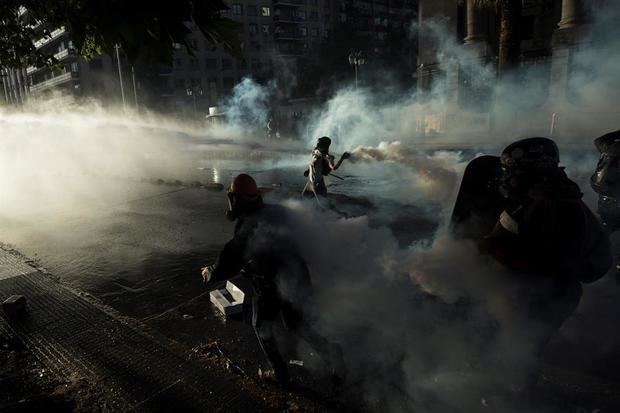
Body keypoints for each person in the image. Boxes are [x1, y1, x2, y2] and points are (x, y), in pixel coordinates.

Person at [201, 173, 346, 386]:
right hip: (296, 277)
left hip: (273, 284)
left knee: (261, 326)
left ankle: (279, 374)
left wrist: (209, 272)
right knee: (295, 324)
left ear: (237, 199)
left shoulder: (247, 228)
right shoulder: (277, 212)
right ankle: (332, 352)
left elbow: (227, 262)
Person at [478, 137, 611, 352]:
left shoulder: (556, 206)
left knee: (515, 354)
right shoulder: (538, 198)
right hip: (537, 294)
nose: (508, 177)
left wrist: (492, 248)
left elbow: (547, 264)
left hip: (543, 299)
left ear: (531, 172)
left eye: (513, 171)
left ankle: (509, 383)